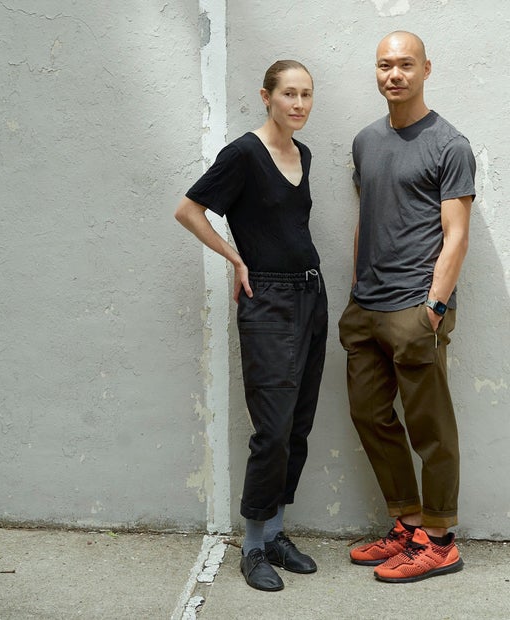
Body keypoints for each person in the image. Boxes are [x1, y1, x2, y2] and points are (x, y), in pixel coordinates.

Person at [175, 60, 328, 592]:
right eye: (289, 94)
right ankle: (254, 545)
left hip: (311, 294)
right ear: (267, 96)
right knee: (273, 429)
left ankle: (278, 533)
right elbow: (189, 210)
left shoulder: (303, 154)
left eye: (306, 94)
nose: (299, 104)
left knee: (298, 424)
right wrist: (236, 259)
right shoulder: (243, 154)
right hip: (268, 300)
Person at [338, 31, 476, 583]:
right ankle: (408, 525)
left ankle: (440, 542)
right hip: (366, 306)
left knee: (430, 428)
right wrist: (356, 289)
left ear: (426, 69)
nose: (394, 74)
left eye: (405, 64)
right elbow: (367, 215)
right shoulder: (365, 141)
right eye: (384, 65)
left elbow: (456, 234)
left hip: (416, 306)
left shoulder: (449, 144)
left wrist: (433, 307)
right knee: (369, 415)